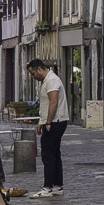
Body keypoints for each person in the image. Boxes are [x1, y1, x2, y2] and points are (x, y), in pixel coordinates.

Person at [28, 58, 65, 197]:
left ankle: (48, 187)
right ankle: (57, 185)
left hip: (56, 121)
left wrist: (48, 122)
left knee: (48, 154)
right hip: (52, 121)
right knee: (54, 153)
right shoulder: (46, 81)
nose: (32, 76)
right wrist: (41, 121)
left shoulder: (51, 80)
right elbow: (45, 104)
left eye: (32, 73)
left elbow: (53, 102)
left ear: (39, 69)